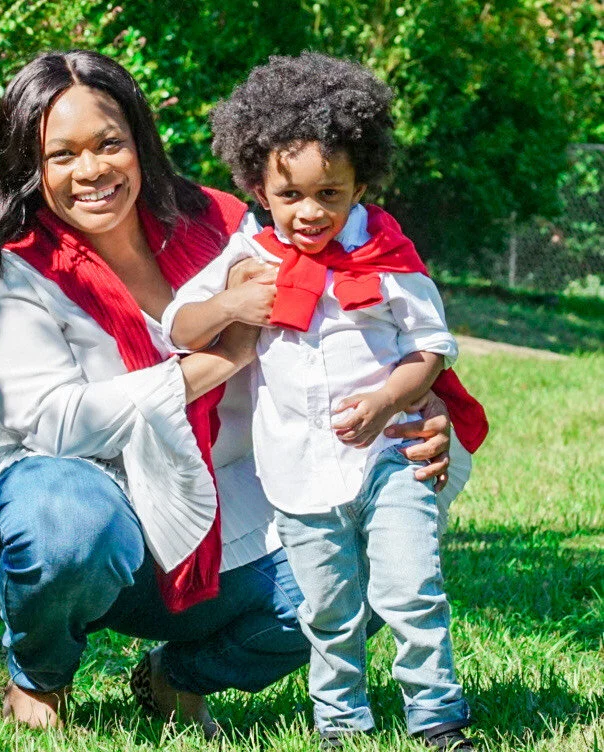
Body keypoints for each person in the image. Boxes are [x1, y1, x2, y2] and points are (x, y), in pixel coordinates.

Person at [0, 49, 480, 739]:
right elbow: (56, 424)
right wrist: (214, 363)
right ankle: (39, 675)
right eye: (61, 154)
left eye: (110, 144)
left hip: (211, 497)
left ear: (140, 142)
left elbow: (359, 331)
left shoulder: (226, 225)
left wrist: (417, 411)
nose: (93, 169)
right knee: (70, 520)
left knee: (362, 575)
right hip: (50, 500)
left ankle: (176, 678)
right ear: (26, 165)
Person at [164, 53, 481, 750]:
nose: (310, 213)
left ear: (360, 184)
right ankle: (339, 722)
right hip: (298, 470)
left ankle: (438, 717)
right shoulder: (249, 253)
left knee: (409, 590)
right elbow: (179, 328)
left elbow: (433, 346)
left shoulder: (385, 253)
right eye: (290, 195)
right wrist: (233, 301)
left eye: (330, 195)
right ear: (258, 184)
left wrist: (387, 400)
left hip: (389, 455)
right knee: (328, 607)